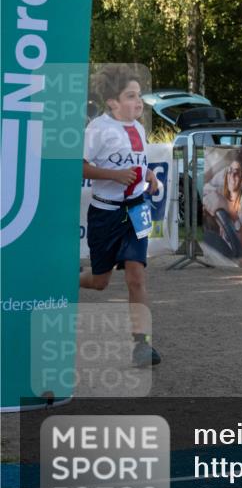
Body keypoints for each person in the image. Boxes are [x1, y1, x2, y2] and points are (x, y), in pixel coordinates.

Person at [79, 64, 162, 367]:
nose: (138, 102)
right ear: (113, 102)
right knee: (99, 281)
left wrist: (149, 175)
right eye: (130, 96)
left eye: (139, 95)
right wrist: (113, 175)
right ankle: (70, 279)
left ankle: (142, 345)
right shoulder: (98, 128)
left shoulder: (138, 128)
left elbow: (137, 165)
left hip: (136, 211)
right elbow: (80, 166)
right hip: (105, 215)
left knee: (136, 275)